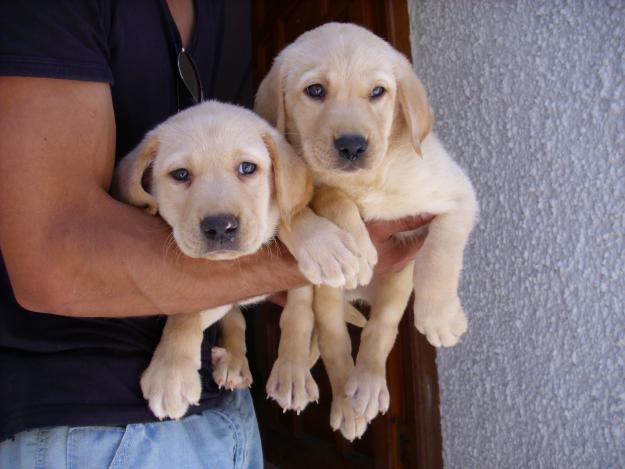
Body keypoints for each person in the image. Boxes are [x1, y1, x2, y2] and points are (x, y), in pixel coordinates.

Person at [0, 1, 432, 468]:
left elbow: (274, 204)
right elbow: (55, 260)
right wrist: (298, 258)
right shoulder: (53, 12)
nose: (220, 218)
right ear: (140, 185)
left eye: (247, 168)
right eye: (180, 176)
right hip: (90, 418)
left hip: (221, 405)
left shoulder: (232, 17)